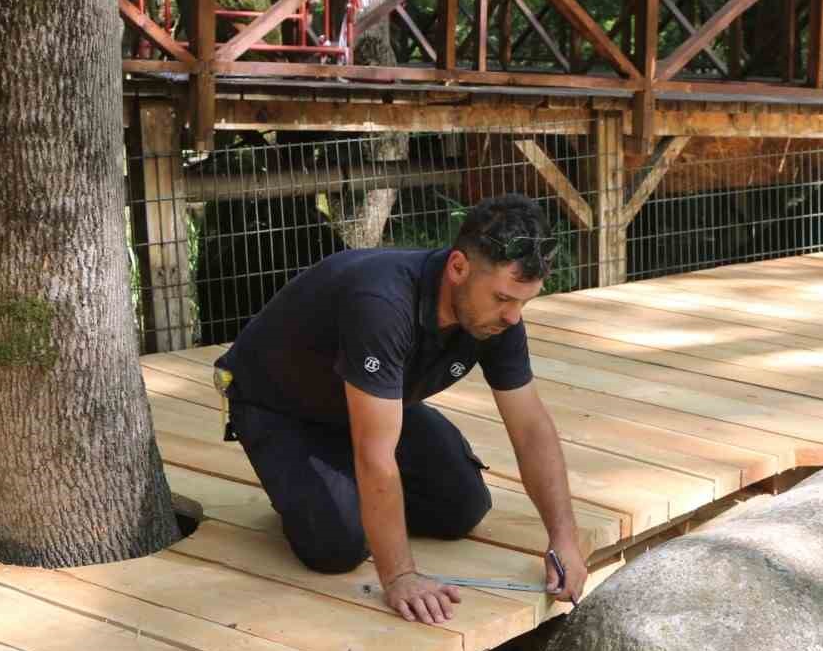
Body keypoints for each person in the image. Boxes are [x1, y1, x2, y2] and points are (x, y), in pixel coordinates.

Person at [213, 193, 589, 625]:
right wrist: (401, 575)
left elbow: (530, 428)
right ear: (458, 267)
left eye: (524, 301)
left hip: (372, 403)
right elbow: (377, 456)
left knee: (462, 508)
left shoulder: (498, 319)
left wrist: (564, 538)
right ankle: (326, 496)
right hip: (281, 407)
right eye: (504, 298)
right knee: (336, 546)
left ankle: (345, 488)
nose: (512, 317)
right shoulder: (382, 302)